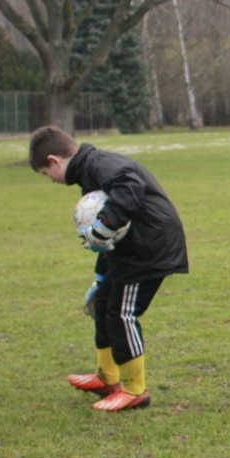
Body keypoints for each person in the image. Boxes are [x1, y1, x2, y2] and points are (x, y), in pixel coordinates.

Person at [30, 125, 189, 412]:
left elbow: (129, 187)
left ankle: (135, 390)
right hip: (132, 248)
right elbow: (112, 238)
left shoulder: (99, 164)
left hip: (148, 247)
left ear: (54, 160)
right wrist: (100, 277)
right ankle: (107, 378)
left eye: (45, 173)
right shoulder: (90, 170)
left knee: (121, 313)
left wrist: (102, 226)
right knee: (103, 302)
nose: (50, 179)